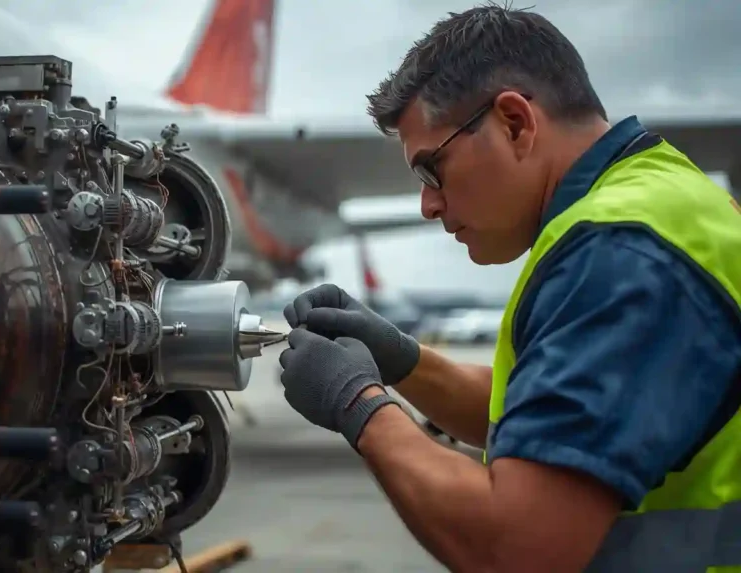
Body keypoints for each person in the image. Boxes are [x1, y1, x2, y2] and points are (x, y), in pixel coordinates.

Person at [277, 5, 741, 573]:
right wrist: (402, 360)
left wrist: (356, 402)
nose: (428, 204)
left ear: (515, 122)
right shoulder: (660, 200)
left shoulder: (617, 250)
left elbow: (514, 549)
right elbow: (550, 417)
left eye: (431, 170)